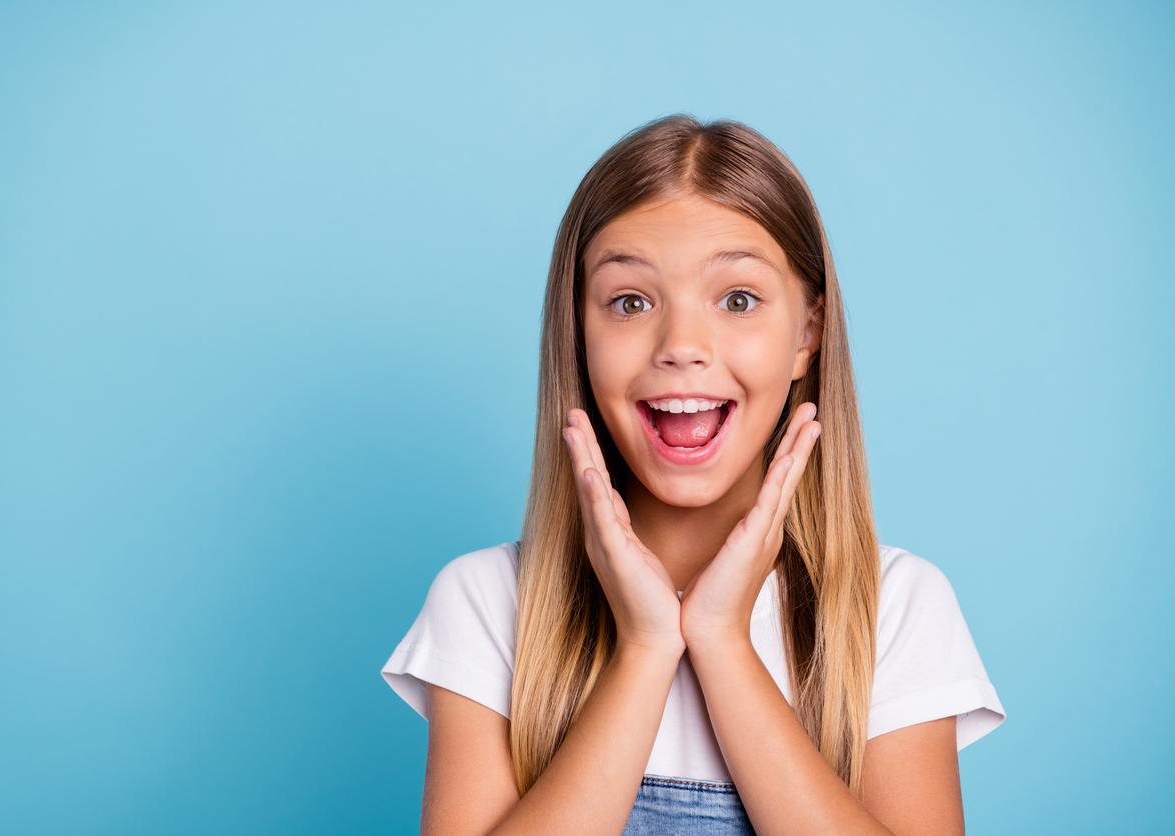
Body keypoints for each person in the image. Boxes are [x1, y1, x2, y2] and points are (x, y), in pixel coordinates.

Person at [381, 115, 1004, 835]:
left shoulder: (895, 610)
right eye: (630, 301)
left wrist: (722, 640)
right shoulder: (489, 605)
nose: (681, 346)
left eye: (737, 300)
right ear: (578, 336)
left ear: (807, 334)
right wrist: (647, 648)